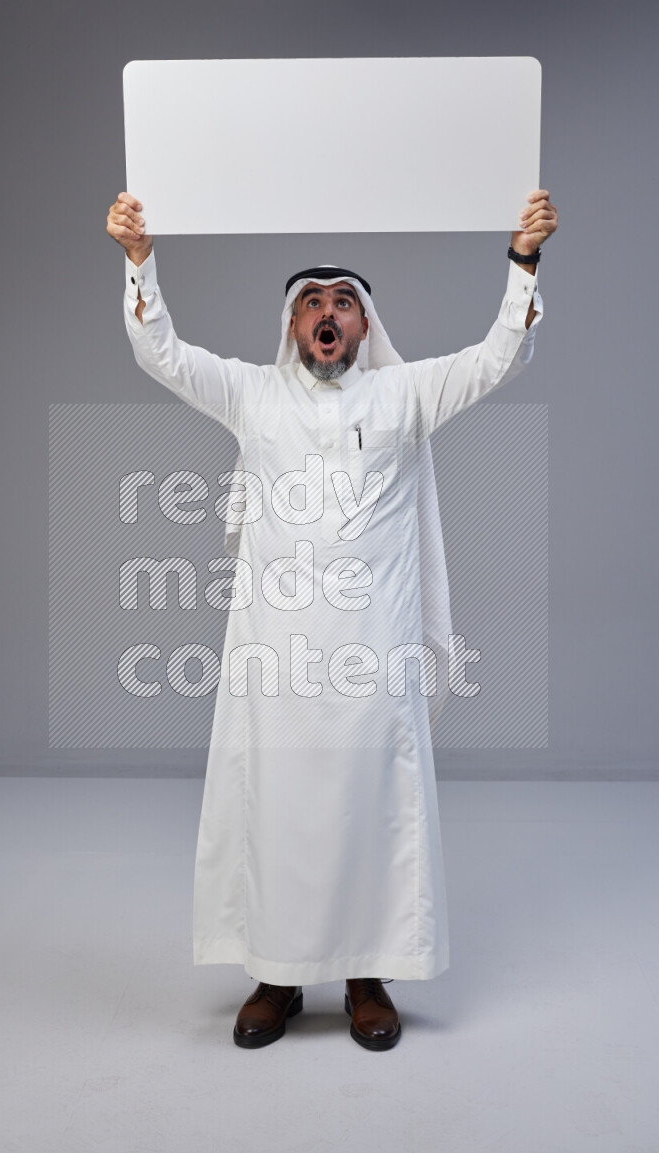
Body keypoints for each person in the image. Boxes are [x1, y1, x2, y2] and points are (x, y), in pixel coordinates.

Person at [106, 189, 558, 1051]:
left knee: (372, 808)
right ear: (290, 324)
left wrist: (523, 262)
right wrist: (139, 262)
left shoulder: (406, 396)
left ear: (362, 325)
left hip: (371, 660)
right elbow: (161, 352)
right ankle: (276, 976)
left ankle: (365, 975)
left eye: (342, 303)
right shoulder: (251, 396)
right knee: (276, 807)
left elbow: (500, 355)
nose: (327, 315)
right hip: (276, 663)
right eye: (312, 302)